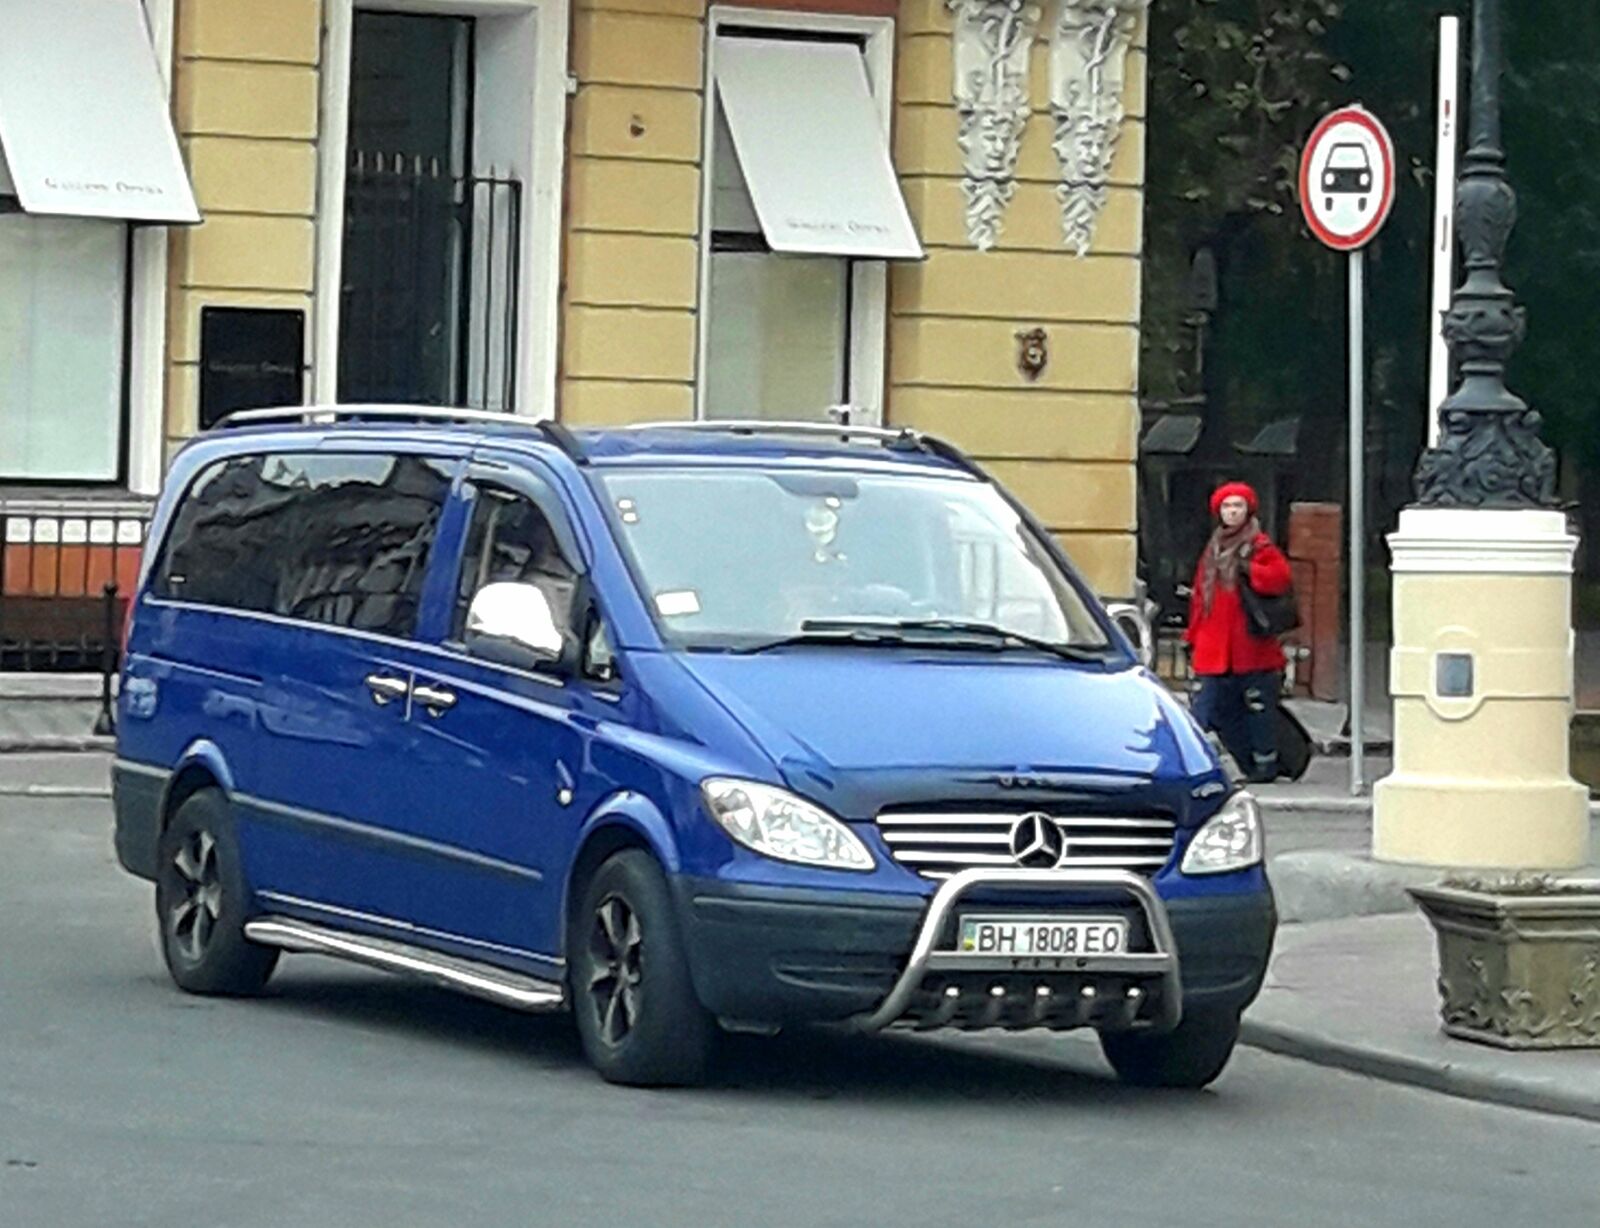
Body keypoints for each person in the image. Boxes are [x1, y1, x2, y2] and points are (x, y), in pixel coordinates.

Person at [1184, 481, 1293, 782]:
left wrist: (1249, 569)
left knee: (1258, 710)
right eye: (1227, 507)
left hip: (1250, 645)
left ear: (1248, 510)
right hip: (1212, 645)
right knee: (1205, 710)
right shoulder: (1213, 548)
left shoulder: (1259, 545)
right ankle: (1194, 765)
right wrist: (1192, 637)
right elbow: (1199, 598)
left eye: (1238, 506)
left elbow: (1279, 579)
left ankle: (1264, 765)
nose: (1232, 512)